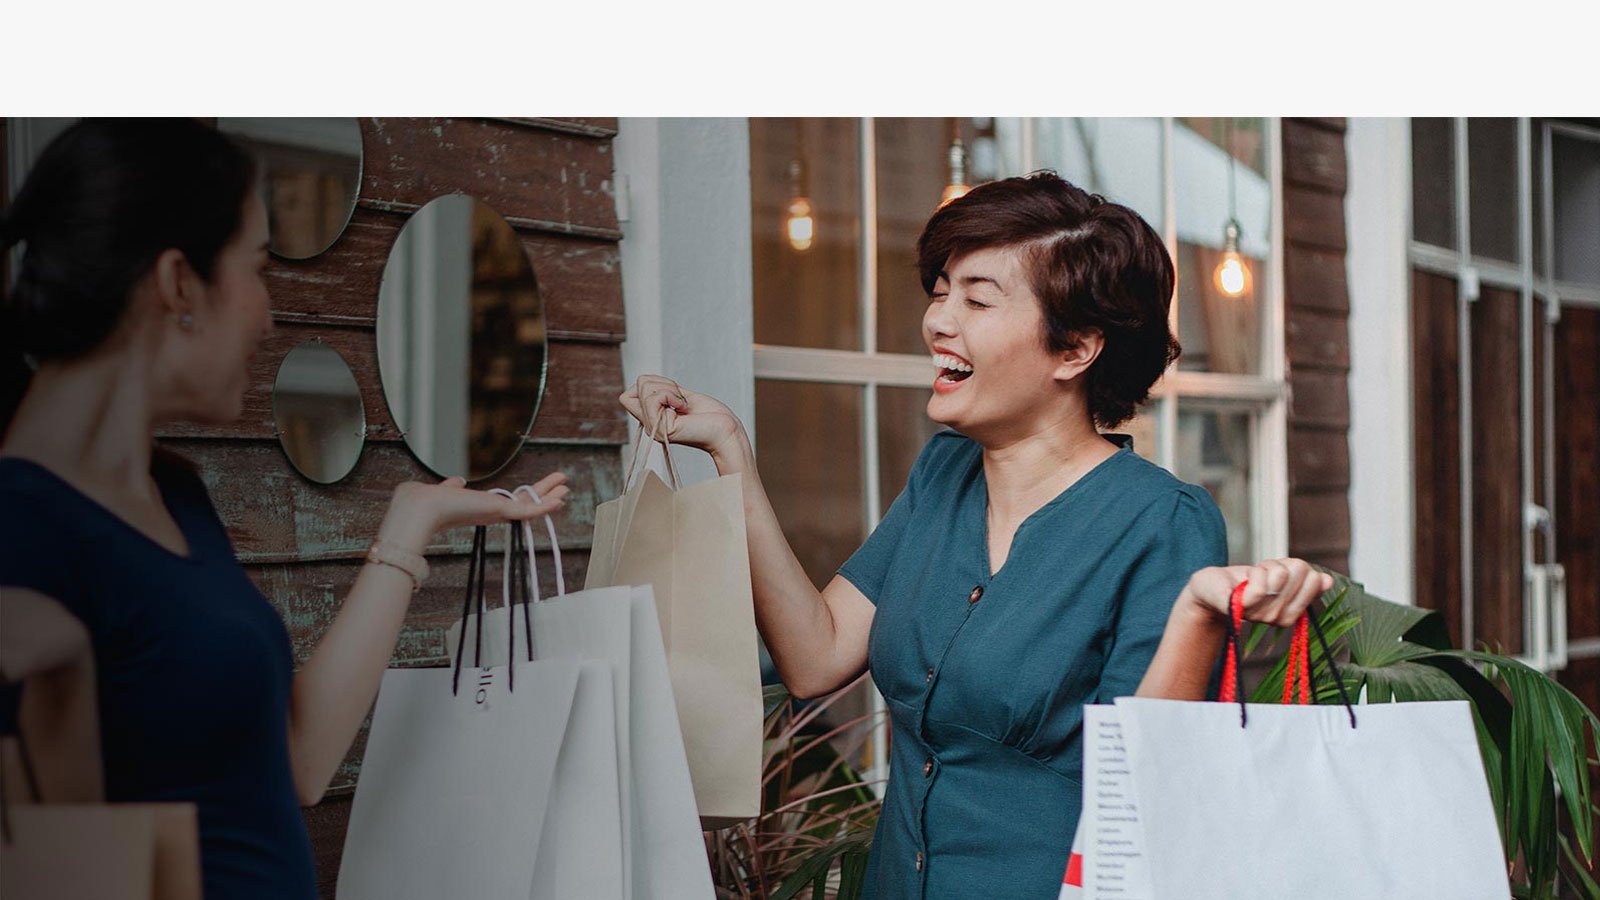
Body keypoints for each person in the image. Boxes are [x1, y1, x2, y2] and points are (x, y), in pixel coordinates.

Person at [622, 172, 1332, 900]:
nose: (938, 322)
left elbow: (1149, 787)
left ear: (1075, 348)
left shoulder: (1162, 522)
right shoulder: (943, 476)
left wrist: (1197, 617)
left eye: (978, 299)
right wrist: (730, 452)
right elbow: (816, 654)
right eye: (940, 292)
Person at [0, 118, 569, 899]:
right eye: (257, 269)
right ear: (178, 284)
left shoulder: (175, 495)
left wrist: (409, 523)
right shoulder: (24, 530)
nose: (268, 316)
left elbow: (297, 759)